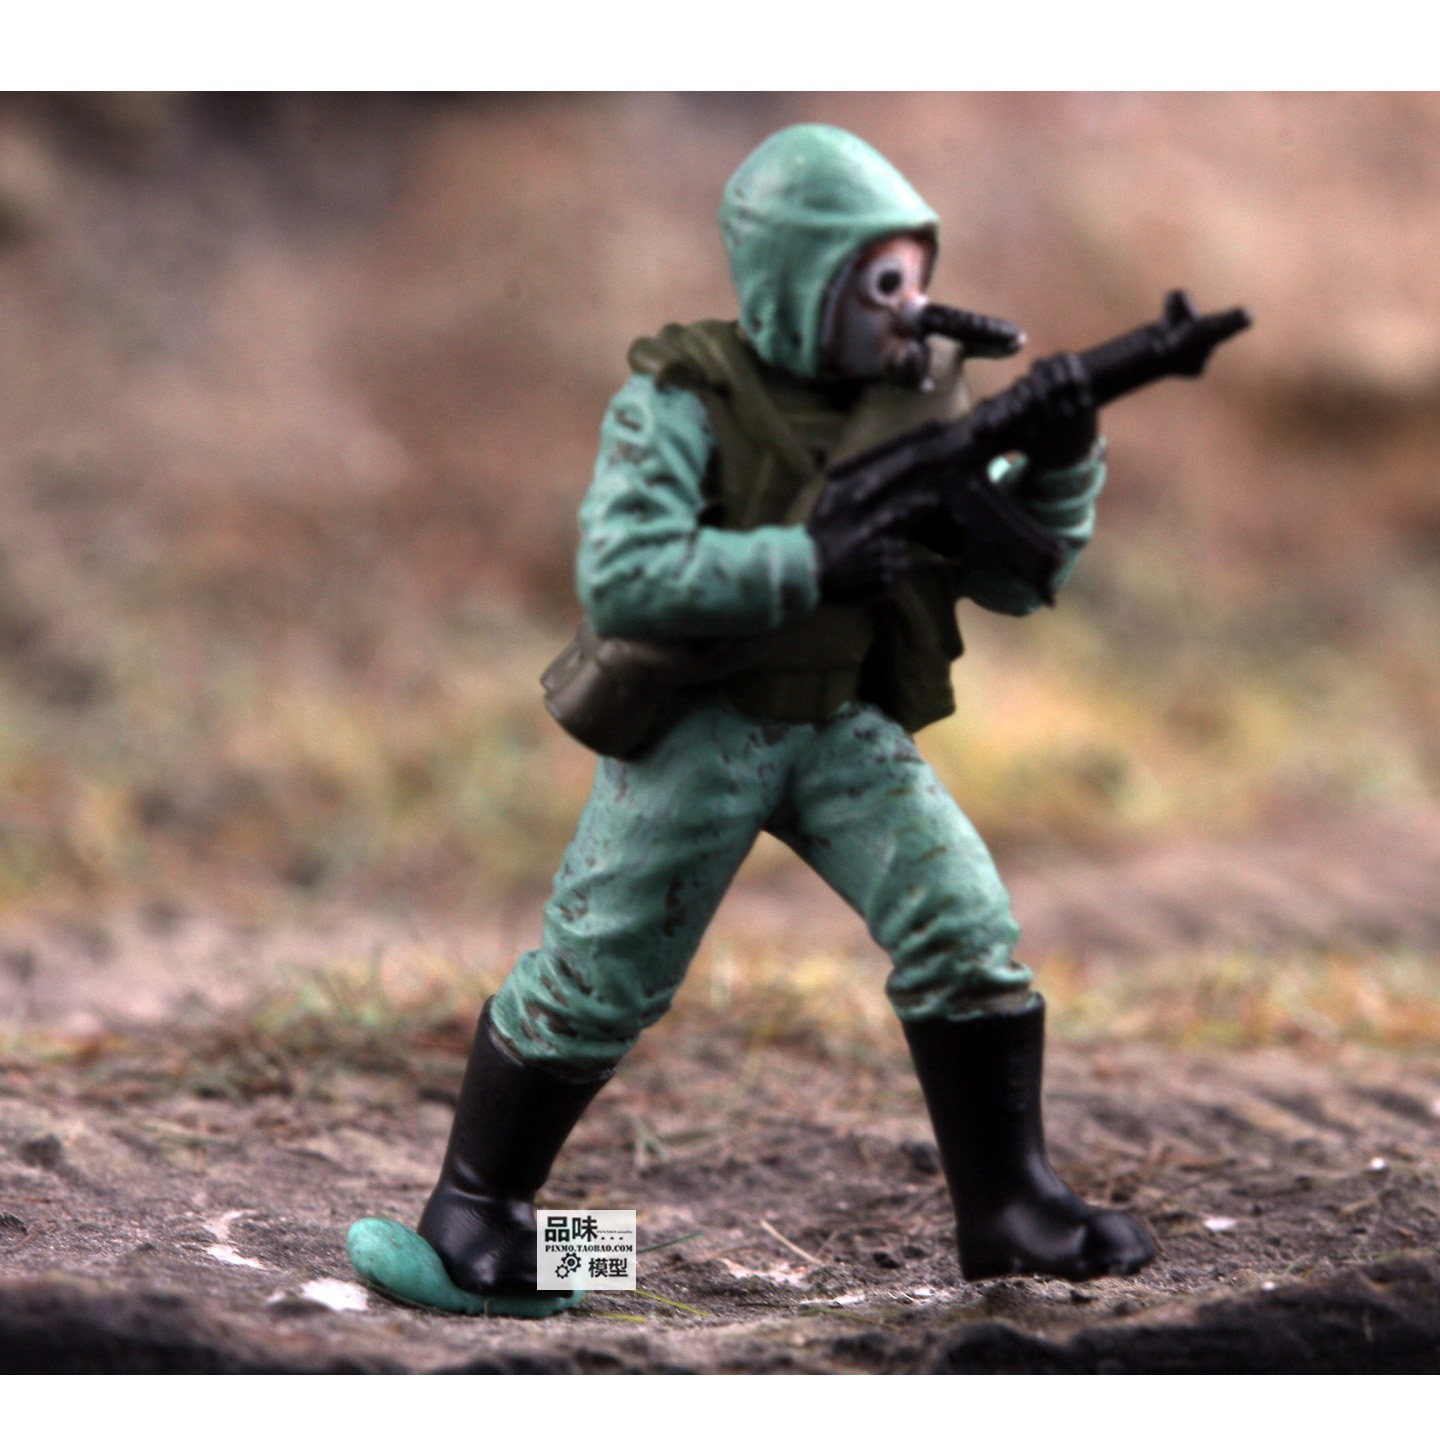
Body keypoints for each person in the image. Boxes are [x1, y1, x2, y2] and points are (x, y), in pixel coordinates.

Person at [348, 123, 1156, 1316]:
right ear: (798, 279)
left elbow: (1014, 577)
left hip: (840, 723)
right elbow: (623, 575)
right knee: (601, 973)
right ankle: (477, 1219)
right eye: (879, 284)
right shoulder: (683, 398)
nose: (909, 309)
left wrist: (1063, 458)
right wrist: (805, 562)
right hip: (700, 728)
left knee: (965, 924)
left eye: (915, 277)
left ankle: (1010, 1208)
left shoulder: (916, 397)